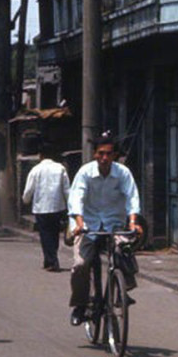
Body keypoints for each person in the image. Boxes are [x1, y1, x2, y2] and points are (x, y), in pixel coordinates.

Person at [68, 133, 142, 326]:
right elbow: (77, 198)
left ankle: (121, 291)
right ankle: (81, 305)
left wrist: (133, 221)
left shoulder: (123, 173)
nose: (104, 158)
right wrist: (79, 222)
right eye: (101, 153)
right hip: (86, 225)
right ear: (95, 154)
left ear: (114, 155)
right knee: (81, 265)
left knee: (124, 251)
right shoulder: (85, 173)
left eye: (109, 154)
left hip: (113, 224)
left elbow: (132, 197)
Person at [22, 137, 71, 272]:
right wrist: (70, 205)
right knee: (54, 234)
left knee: (45, 235)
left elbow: (29, 189)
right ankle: (50, 259)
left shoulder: (36, 170)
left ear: (40, 155)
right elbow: (67, 189)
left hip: (41, 207)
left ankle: (51, 260)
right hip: (57, 207)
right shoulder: (60, 168)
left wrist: (26, 199)